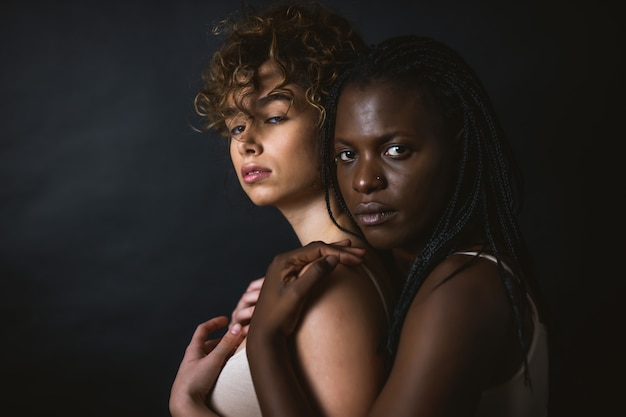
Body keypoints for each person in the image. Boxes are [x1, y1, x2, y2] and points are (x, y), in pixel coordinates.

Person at [243, 35, 550, 416]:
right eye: (347, 155)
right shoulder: (420, 276)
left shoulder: (461, 290)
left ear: (459, 144)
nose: (363, 181)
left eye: (396, 150)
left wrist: (265, 345)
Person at [169, 3, 400, 417]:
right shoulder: (303, 283)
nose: (246, 142)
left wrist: (187, 406)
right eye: (237, 126)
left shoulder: (332, 285)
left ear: (335, 121)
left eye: (274, 117)